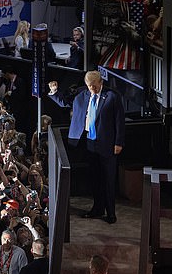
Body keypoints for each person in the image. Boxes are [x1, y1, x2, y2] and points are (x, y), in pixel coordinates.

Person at [51, 71, 125, 224]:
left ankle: (110, 213)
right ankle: (97, 209)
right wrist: (54, 92)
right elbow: (64, 102)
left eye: (95, 86)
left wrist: (119, 142)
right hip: (89, 143)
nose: (92, 89)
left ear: (101, 83)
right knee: (95, 178)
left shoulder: (112, 97)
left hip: (108, 144)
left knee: (109, 180)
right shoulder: (81, 94)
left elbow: (119, 121)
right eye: (90, 86)